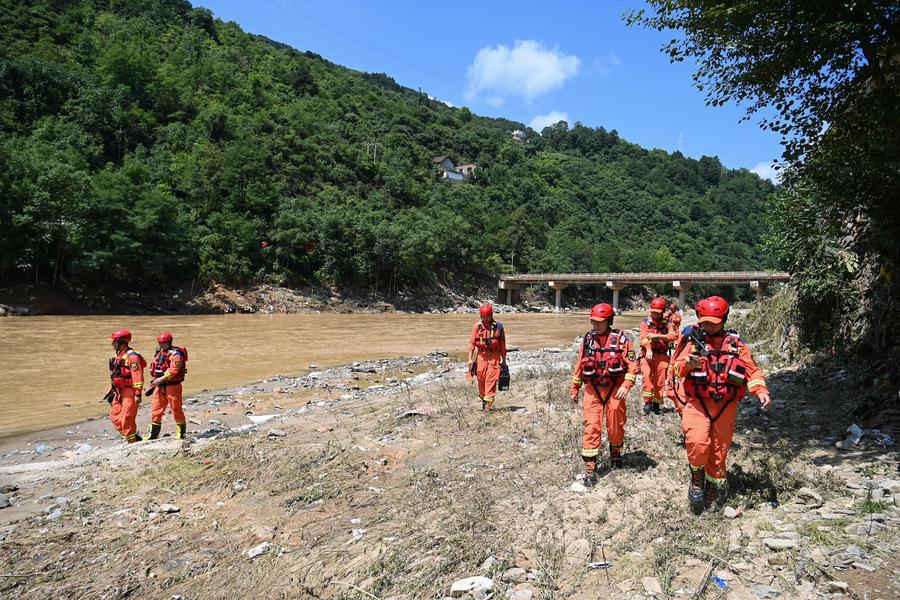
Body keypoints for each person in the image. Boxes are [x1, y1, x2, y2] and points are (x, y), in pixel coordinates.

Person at [671, 296, 771, 513]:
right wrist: (687, 364)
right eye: (704, 321)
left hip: (725, 406)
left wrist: (760, 390)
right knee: (696, 442)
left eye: (713, 322)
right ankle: (696, 477)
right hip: (698, 402)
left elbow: (752, 370)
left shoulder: (736, 344)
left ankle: (713, 488)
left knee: (719, 453)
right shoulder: (692, 341)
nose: (707, 325)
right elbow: (676, 369)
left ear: (723, 319)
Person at [570, 303, 638, 483]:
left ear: (609, 321)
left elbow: (633, 366)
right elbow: (579, 364)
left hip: (615, 388)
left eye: (600, 322)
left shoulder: (622, 340)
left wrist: (626, 384)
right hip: (593, 389)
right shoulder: (588, 340)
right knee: (591, 426)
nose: (596, 325)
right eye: (594, 322)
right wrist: (575, 388)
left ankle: (616, 452)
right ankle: (590, 468)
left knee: (616, 425)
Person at [639, 297, 678, 415]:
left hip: (661, 354)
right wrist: (649, 349)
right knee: (646, 378)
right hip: (647, 354)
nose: (655, 315)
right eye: (653, 312)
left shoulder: (668, 323)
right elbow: (643, 338)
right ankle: (647, 403)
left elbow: (672, 336)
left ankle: (656, 404)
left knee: (660, 381)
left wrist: (658, 337)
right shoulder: (645, 322)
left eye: (657, 313)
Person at [147, 332, 189, 440]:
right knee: (156, 409)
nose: (161, 345)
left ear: (169, 342)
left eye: (164, 343)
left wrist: (161, 379)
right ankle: (154, 435)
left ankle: (182, 433)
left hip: (173, 386)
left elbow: (173, 370)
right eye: (160, 343)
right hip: (160, 386)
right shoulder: (160, 353)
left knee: (176, 409)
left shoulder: (176, 354)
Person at [107, 329, 145, 444]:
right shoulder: (119, 356)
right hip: (119, 391)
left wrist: (138, 393)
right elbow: (116, 375)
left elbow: (137, 376)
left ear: (121, 342)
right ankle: (133, 437)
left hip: (130, 392)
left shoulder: (132, 357)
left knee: (127, 418)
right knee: (114, 416)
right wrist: (110, 390)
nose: (112, 344)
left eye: (114, 341)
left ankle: (132, 443)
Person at [468, 303, 507, 411]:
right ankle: (484, 399)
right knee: (481, 378)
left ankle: (487, 407)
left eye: (488, 316)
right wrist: (470, 359)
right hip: (481, 356)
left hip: (494, 356)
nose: (486, 319)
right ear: (481, 316)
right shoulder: (477, 326)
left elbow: (503, 344)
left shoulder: (499, 327)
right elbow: (472, 344)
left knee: (491, 380)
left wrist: (503, 360)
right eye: (484, 317)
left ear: (491, 315)